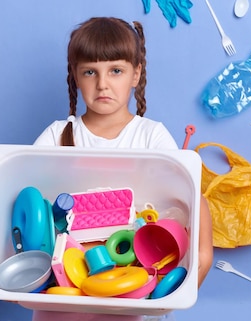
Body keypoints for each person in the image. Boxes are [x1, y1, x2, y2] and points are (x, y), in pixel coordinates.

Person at [33, 17, 214, 321]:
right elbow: (24, 199)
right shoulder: (57, 135)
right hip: (62, 301)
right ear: (76, 77)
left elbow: (187, 201)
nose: (102, 83)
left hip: (126, 300)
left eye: (115, 71)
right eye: (90, 72)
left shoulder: (151, 136)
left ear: (135, 75)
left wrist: (199, 265)